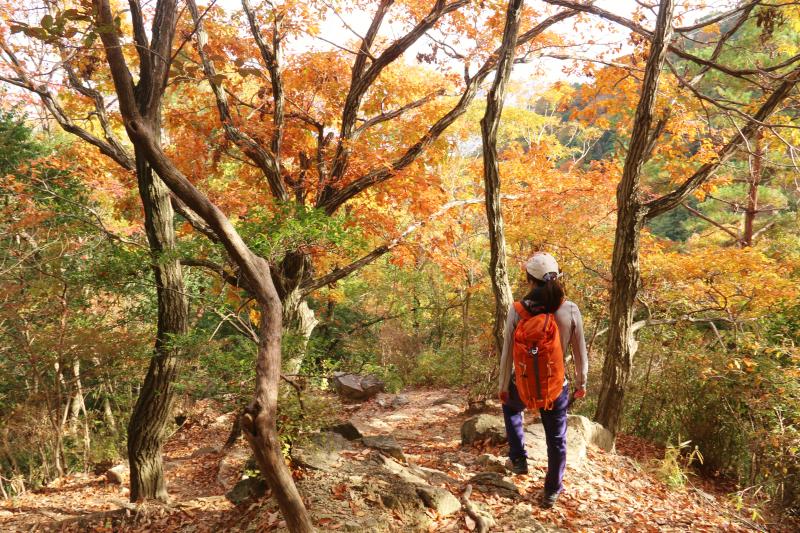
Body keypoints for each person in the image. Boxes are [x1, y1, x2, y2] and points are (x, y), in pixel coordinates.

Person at [498, 252, 588, 509]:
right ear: (557, 277)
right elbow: (580, 353)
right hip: (555, 386)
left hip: (522, 383)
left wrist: (504, 386)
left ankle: (518, 459)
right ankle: (551, 490)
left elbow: (507, 353)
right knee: (556, 439)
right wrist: (582, 383)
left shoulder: (517, 310)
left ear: (529, 279)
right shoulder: (570, 310)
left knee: (512, 408)